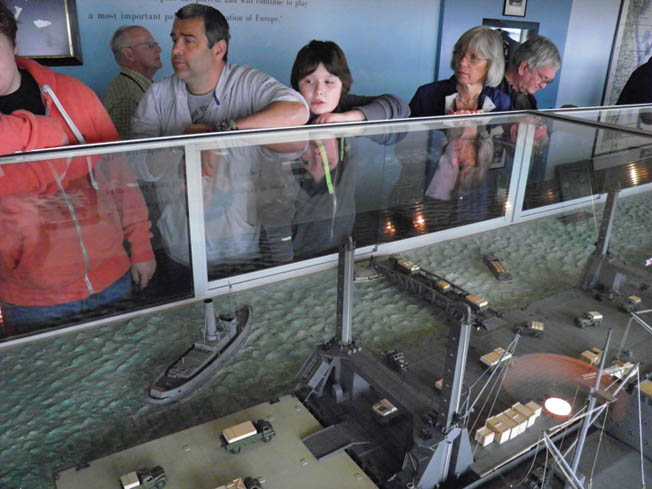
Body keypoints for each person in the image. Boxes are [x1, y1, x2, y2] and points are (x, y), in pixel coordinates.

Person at [0, 1, 156, 333]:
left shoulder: (73, 94)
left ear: (14, 46)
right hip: (31, 299)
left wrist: (141, 247)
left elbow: (119, 177)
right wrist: (46, 135)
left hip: (111, 275)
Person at [129, 3, 308, 272]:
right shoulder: (158, 95)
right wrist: (183, 144)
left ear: (219, 49)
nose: (175, 50)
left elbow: (297, 111)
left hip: (238, 247)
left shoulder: (247, 83)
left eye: (188, 41)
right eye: (175, 40)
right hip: (179, 249)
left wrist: (222, 132)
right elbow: (136, 165)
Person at [290, 40, 410, 123]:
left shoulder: (345, 103)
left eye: (329, 82)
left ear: (342, 84)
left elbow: (400, 107)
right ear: (297, 85)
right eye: (309, 82)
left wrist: (346, 117)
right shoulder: (286, 107)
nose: (319, 91)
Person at [409, 26, 510, 117]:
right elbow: (407, 135)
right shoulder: (426, 94)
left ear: (492, 65)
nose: (462, 62)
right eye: (459, 53)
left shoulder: (501, 102)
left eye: (474, 57)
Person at [103, 25, 162, 139]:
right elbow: (130, 153)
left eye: (156, 45)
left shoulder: (135, 86)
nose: (159, 50)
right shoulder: (127, 98)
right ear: (129, 54)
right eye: (150, 45)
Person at [497, 35, 561, 110]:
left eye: (548, 81)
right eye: (542, 78)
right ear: (523, 67)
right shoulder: (489, 91)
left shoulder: (530, 101)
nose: (543, 86)